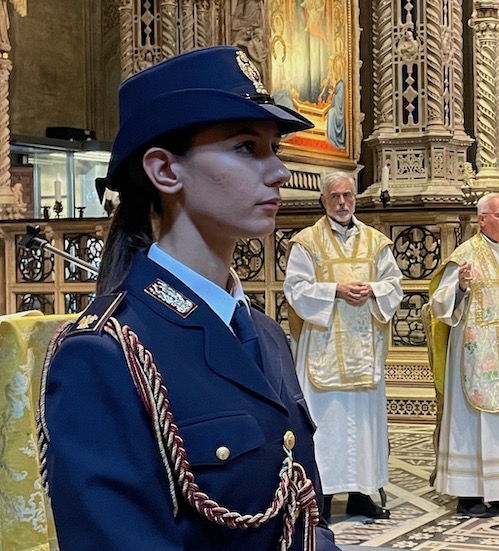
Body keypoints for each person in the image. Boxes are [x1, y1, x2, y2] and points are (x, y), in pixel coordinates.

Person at [36, 46, 340, 551]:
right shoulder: (105, 354)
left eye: (275, 148)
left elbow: (304, 517)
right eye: (246, 147)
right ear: (165, 171)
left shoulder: (264, 334)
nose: (279, 173)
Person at [284, 171, 403, 520]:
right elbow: (295, 288)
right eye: (334, 197)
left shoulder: (376, 242)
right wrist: (334, 289)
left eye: (347, 196)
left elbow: (394, 284)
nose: (341, 203)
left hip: (364, 349)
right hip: (323, 349)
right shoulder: (307, 242)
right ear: (323, 201)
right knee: (326, 425)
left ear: (355, 198)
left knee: (364, 424)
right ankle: (320, 496)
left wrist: (374, 290)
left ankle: (361, 494)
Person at [428, 192, 499, 518]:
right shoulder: (465, 256)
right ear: (482, 219)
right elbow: (439, 304)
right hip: (478, 352)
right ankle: (469, 492)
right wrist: (460, 287)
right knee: (475, 422)